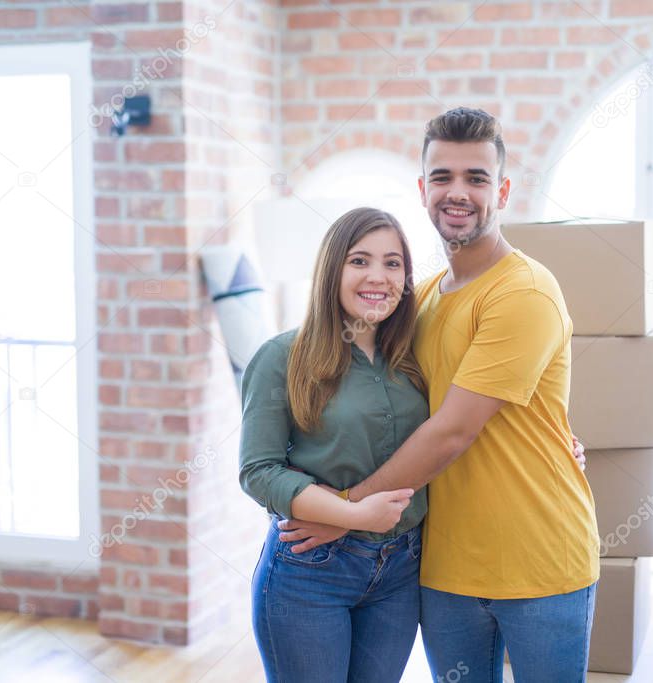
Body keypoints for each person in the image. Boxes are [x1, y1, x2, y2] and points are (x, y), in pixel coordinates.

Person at [277, 108, 600, 682]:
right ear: (422, 190)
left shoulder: (524, 291)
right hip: (444, 569)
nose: (458, 193)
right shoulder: (418, 298)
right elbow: (376, 403)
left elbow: (453, 429)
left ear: (501, 190)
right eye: (443, 177)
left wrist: (345, 513)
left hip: (542, 563)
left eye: (476, 178)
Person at [239, 207, 429, 682]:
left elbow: (466, 422)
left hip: (400, 570)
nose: (378, 277)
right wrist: (349, 515)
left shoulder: (416, 356)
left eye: (393, 263)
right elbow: (258, 470)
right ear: (332, 269)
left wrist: (557, 443)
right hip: (311, 572)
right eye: (359, 260)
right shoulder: (282, 357)